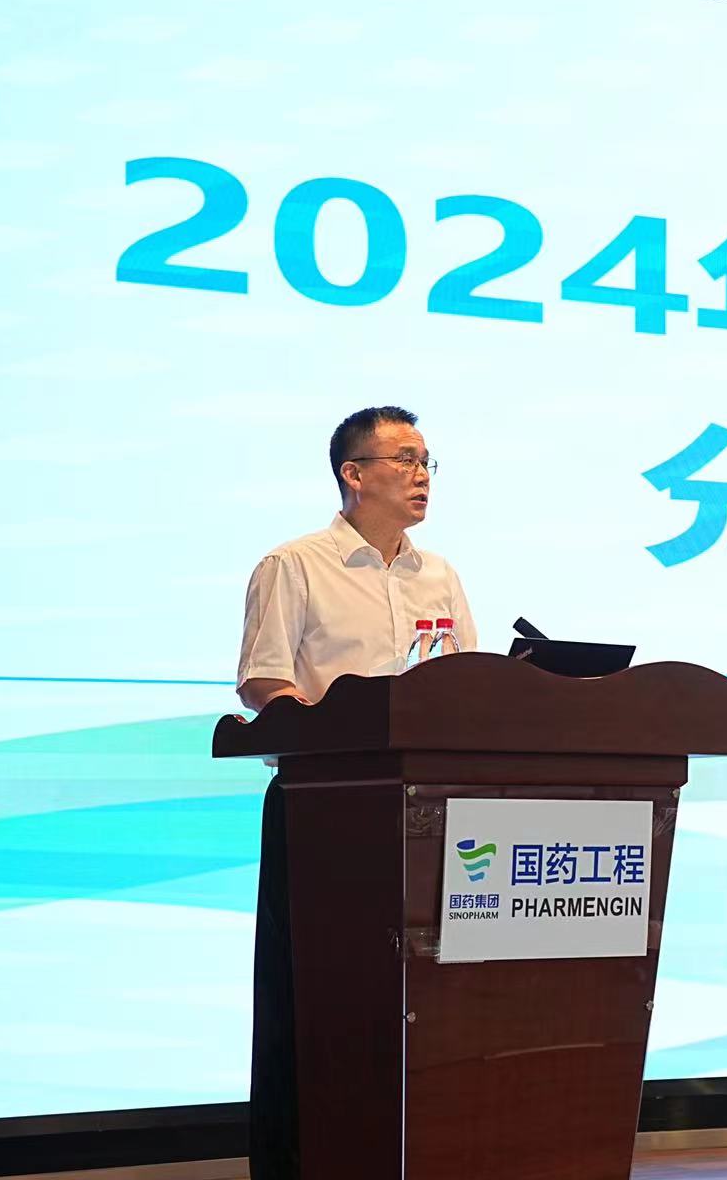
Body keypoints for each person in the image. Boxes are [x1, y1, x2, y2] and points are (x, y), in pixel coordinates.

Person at [235, 405, 476, 1180]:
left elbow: (470, 688)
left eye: (427, 461)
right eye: (405, 458)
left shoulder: (439, 575)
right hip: (328, 809)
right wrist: (333, 727)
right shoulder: (295, 564)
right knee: (322, 1000)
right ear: (353, 473)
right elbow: (262, 680)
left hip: (431, 812)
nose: (421, 474)